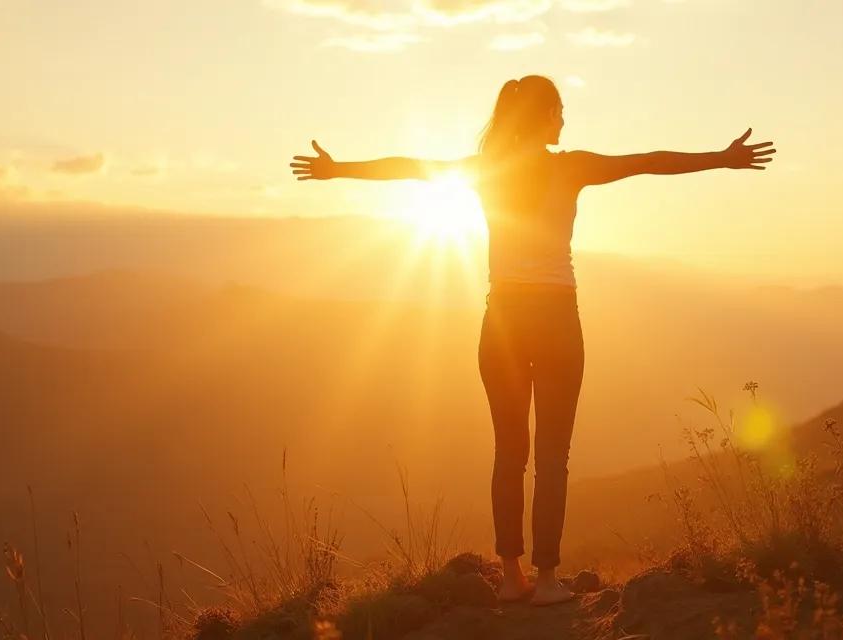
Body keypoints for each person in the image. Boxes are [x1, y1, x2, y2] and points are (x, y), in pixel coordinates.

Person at [291, 74, 775, 606]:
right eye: (559, 110)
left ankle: (510, 577)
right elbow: (647, 160)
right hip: (555, 320)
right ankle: (546, 582)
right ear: (543, 116)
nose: (564, 120)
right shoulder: (569, 166)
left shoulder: (485, 171)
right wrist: (720, 158)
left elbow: (406, 168)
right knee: (552, 456)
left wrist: (338, 170)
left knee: (509, 454)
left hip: (500, 321)